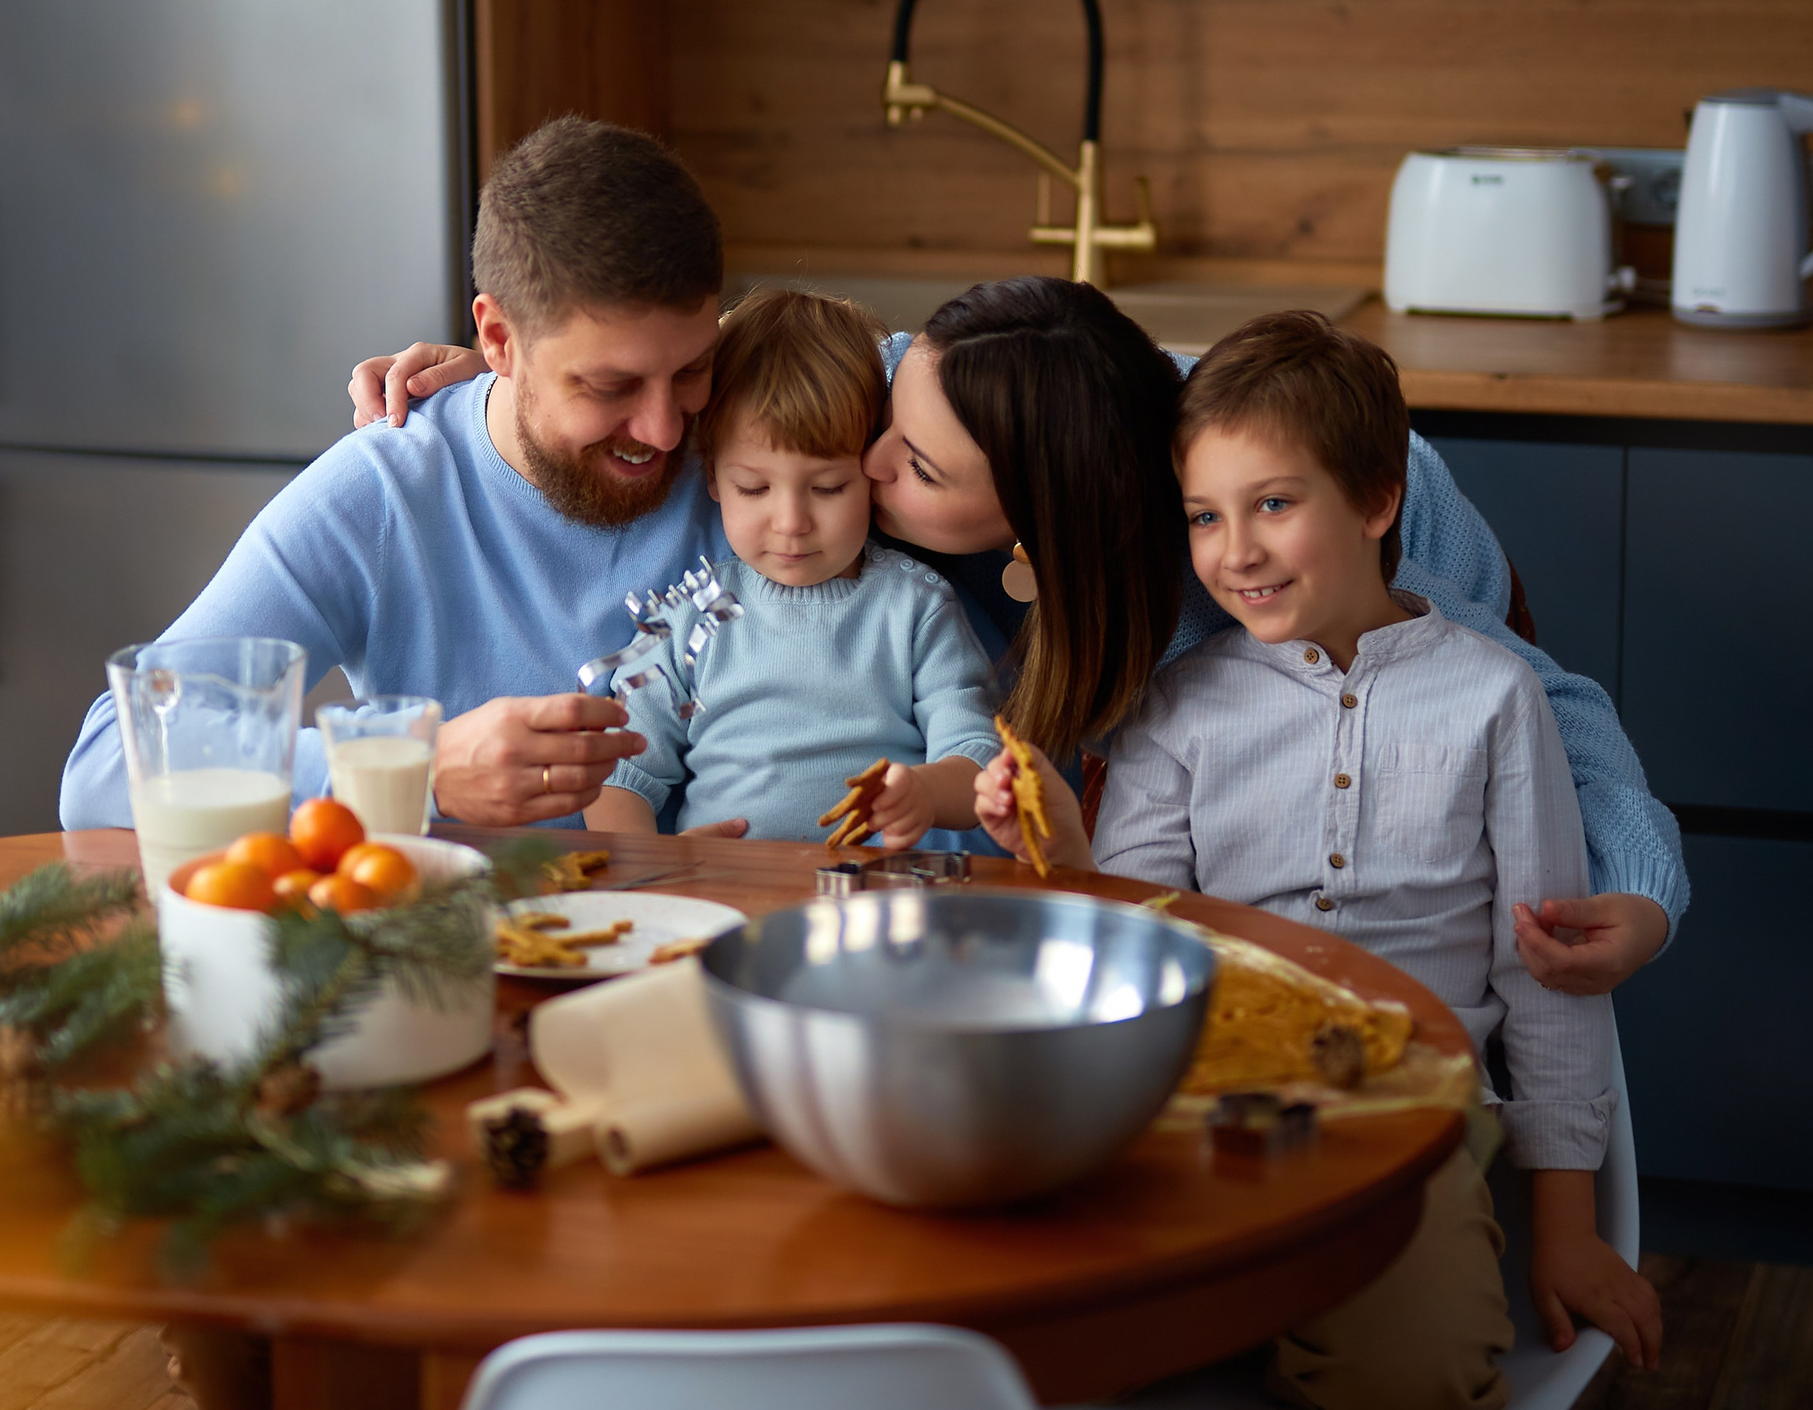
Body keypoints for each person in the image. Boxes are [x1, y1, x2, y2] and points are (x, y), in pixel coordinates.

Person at [352, 277, 1686, 993]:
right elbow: (768, 372)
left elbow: (1534, 700)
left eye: (913, 468)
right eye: (890, 410)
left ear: (1031, 544)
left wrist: (1634, 884)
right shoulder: (938, 400)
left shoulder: (1285, 543)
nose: (862, 469)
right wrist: (523, 384)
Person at [976, 311, 1660, 1410]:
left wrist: (1568, 1224)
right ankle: (1256, 1308)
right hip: (1196, 1104)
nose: (1233, 551)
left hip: (1410, 1116)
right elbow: (1139, 941)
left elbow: (1544, 975)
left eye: (1273, 504)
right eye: (1203, 515)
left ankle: (1262, 1317)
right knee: (1040, 1347)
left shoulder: (1497, 698)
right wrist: (1065, 851)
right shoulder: (1177, 703)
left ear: (1378, 501)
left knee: (1418, 1389)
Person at [57, 116, 751, 837]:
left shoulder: (758, 446)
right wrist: (411, 765)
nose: (667, 429)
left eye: (693, 369)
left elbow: (880, 362)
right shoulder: (388, 491)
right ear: (499, 339)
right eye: (610, 387)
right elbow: (110, 763)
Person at [582, 288, 1001, 846]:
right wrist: (649, 866)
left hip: (873, 900)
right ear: (712, 478)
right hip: (726, 895)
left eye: (828, 487)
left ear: (872, 467)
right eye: (753, 488)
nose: (791, 522)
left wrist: (924, 792)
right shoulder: (687, 616)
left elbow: (975, 753)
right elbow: (619, 773)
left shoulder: (916, 607)